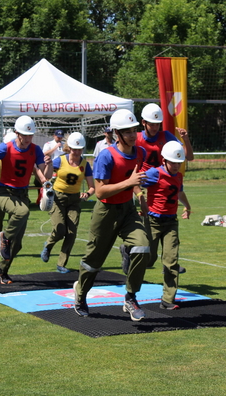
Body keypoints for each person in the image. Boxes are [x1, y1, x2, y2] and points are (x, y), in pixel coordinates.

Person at [72, 109, 150, 321]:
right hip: (105, 212)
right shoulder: (106, 156)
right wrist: (129, 183)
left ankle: (130, 297)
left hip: (128, 209)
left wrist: (140, 195)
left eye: (134, 129)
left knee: (143, 246)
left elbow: (134, 180)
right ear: (117, 133)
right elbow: (100, 191)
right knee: (93, 262)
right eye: (127, 131)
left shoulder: (140, 152)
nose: (133, 134)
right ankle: (80, 295)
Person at [0, 115, 53, 285]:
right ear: (17, 133)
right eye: (25, 135)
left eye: (30, 135)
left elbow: (44, 178)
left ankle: (2, 269)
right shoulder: (6, 147)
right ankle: (4, 238)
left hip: (21, 195)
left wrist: (49, 164)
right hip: (3, 193)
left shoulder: (35, 150)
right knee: (21, 213)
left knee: (17, 245)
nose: (28, 138)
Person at [124, 103, 193, 274]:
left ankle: (170, 263)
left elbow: (188, 157)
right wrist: (139, 194)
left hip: (164, 179)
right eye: (151, 123)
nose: (155, 127)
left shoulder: (167, 136)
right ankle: (129, 249)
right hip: (144, 183)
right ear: (143, 123)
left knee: (168, 219)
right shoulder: (137, 138)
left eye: (157, 123)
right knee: (148, 236)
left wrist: (185, 139)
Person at [140, 141, 191, 309]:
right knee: (149, 259)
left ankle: (168, 299)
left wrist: (187, 206)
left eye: (179, 162)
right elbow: (135, 184)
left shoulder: (178, 176)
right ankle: (128, 252)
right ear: (164, 161)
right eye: (173, 162)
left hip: (170, 222)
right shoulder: (154, 173)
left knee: (171, 259)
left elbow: (179, 192)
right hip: (153, 221)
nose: (176, 166)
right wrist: (140, 203)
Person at [41, 132, 95, 273]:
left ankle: (61, 264)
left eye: (79, 149)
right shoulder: (60, 160)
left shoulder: (85, 164)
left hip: (75, 200)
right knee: (59, 230)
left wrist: (87, 194)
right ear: (69, 148)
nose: (77, 152)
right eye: (74, 149)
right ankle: (48, 245)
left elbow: (92, 187)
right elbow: (47, 177)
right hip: (58, 198)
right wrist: (48, 165)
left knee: (71, 233)